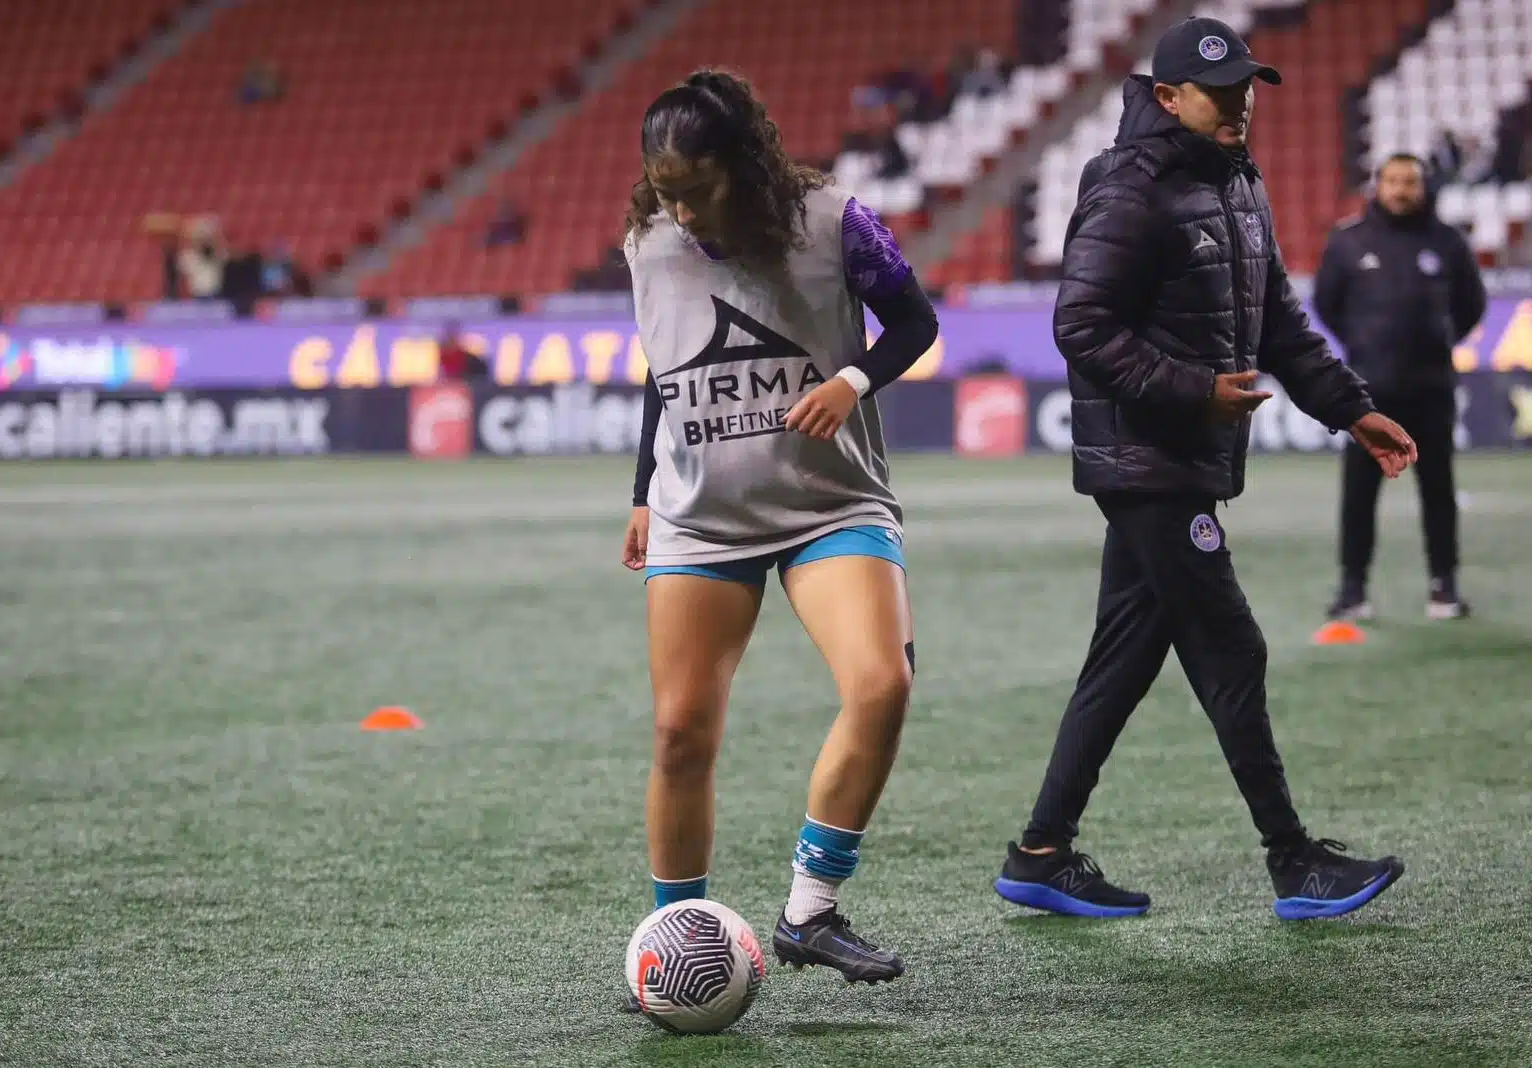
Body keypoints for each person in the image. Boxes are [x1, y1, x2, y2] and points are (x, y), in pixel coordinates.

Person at [991, 17, 1420, 923]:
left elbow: (1280, 328)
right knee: (1231, 647)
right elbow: (1080, 325)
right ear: (1167, 97)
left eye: (1245, 90)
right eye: (1218, 93)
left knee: (1124, 658)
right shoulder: (1128, 186)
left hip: (1181, 457)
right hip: (1149, 462)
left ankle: (1040, 851)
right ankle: (1294, 861)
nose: (1239, 107)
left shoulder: (1239, 187)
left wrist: (1351, 408)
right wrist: (1194, 392)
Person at [618, 68, 939, 1005]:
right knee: (681, 732)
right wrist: (642, 490)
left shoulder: (834, 219)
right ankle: (676, 935)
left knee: (882, 685)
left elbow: (915, 319)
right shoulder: (647, 241)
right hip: (701, 515)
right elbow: (662, 369)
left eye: (697, 188)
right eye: (664, 189)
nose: (679, 209)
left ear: (744, 168)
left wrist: (854, 383)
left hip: (830, 505)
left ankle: (810, 910)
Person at [1313, 153, 1487, 622]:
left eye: (1410, 181)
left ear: (1423, 186)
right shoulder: (1349, 242)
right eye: (1392, 181)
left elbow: (1472, 304)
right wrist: (1365, 345)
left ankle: (1444, 588)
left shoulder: (1448, 242)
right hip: (1368, 393)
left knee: (1438, 491)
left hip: (1432, 389)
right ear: (1378, 185)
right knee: (1358, 494)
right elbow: (1326, 304)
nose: (1401, 189)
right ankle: (1352, 590)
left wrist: (1437, 341)